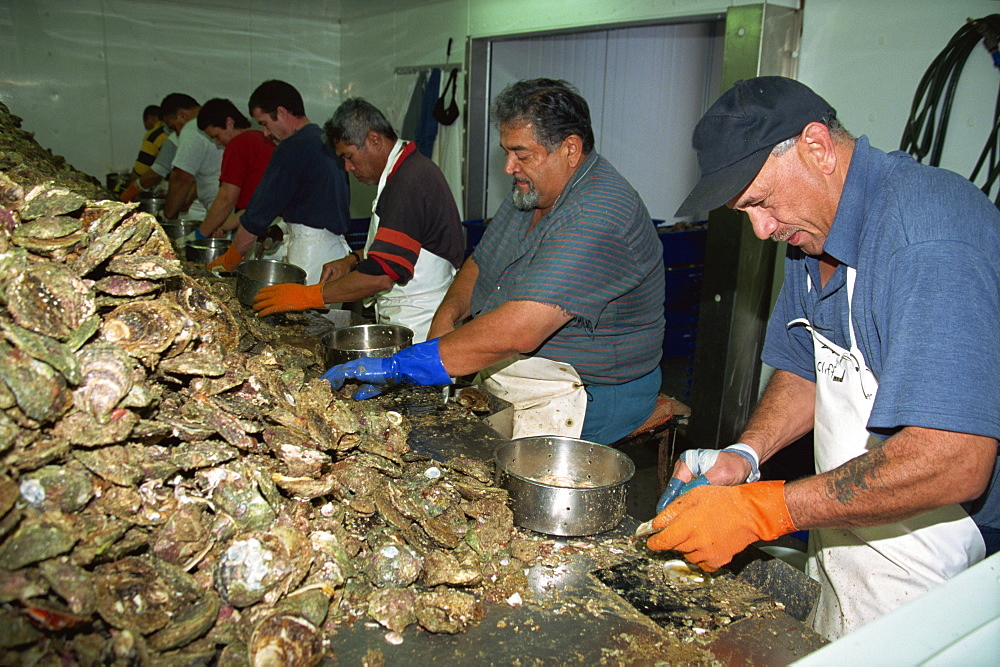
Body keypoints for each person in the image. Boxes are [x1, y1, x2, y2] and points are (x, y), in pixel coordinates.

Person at [646, 76, 1000, 640]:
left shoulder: (929, 236)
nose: (762, 230)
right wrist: (746, 454)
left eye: (761, 201)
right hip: (850, 521)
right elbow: (812, 367)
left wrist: (765, 511)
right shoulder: (813, 236)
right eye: (746, 211)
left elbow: (953, 457)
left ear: (817, 146)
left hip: (948, 553)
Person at [322, 79, 665, 445]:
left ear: (570, 148)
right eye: (506, 152)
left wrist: (403, 366)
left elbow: (520, 330)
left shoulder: (597, 212)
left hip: (592, 393)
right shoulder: (533, 192)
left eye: (522, 154)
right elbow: (480, 263)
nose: (508, 167)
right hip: (523, 371)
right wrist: (446, 315)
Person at [251, 98, 464, 342]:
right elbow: (406, 245)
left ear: (374, 140)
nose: (347, 167)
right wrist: (352, 260)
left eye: (349, 156)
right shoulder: (404, 170)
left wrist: (308, 295)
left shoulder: (408, 182)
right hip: (409, 313)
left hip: (421, 323)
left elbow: (381, 276)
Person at [208, 80, 351, 285]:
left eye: (265, 123)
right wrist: (282, 228)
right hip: (335, 255)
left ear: (282, 113)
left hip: (309, 257)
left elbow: (257, 215)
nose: (266, 133)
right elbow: (319, 203)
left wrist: (231, 259)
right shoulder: (325, 140)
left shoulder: (291, 147)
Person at [191, 98, 276, 240]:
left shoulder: (239, 144)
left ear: (229, 122)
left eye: (217, 136)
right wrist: (223, 226)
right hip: (272, 225)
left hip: (260, 229)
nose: (218, 143)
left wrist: (199, 235)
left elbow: (226, 199)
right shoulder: (258, 138)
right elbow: (254, 207)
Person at [159, 93, 223, 221]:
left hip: (220, 207)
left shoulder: (191, 129)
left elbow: (181, 179)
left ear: (182, 115)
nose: (176, 133)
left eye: (173, 127)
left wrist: (166, 217)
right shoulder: (217, 120)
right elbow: (210, 170)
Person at [119, 105, 170, 202]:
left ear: (151, 117)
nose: (147, 128)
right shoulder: (172, 131)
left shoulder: (154, 135)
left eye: (146, 125)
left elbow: (140, 171)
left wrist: (126, 191)